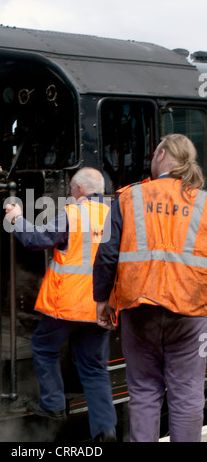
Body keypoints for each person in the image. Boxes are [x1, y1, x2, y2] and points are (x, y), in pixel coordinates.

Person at [93, 134, 207, 442]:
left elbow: (106, 254)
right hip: (191, 314)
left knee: (144, 391)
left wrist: (102, 300)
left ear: (161, 154)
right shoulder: (204, 202)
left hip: (139, 310)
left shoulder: (129, 198)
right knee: (187, 394)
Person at [5, 167, 117, 442]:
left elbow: (37, 240)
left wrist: (16, 218)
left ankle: (53, 405)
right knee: (94, 368)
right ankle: (106, 431)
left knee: (44, 347)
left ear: (78, 189)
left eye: (71, 190)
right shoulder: (117, 215)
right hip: (101, 307)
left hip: (66, 305)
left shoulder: (73, 213)